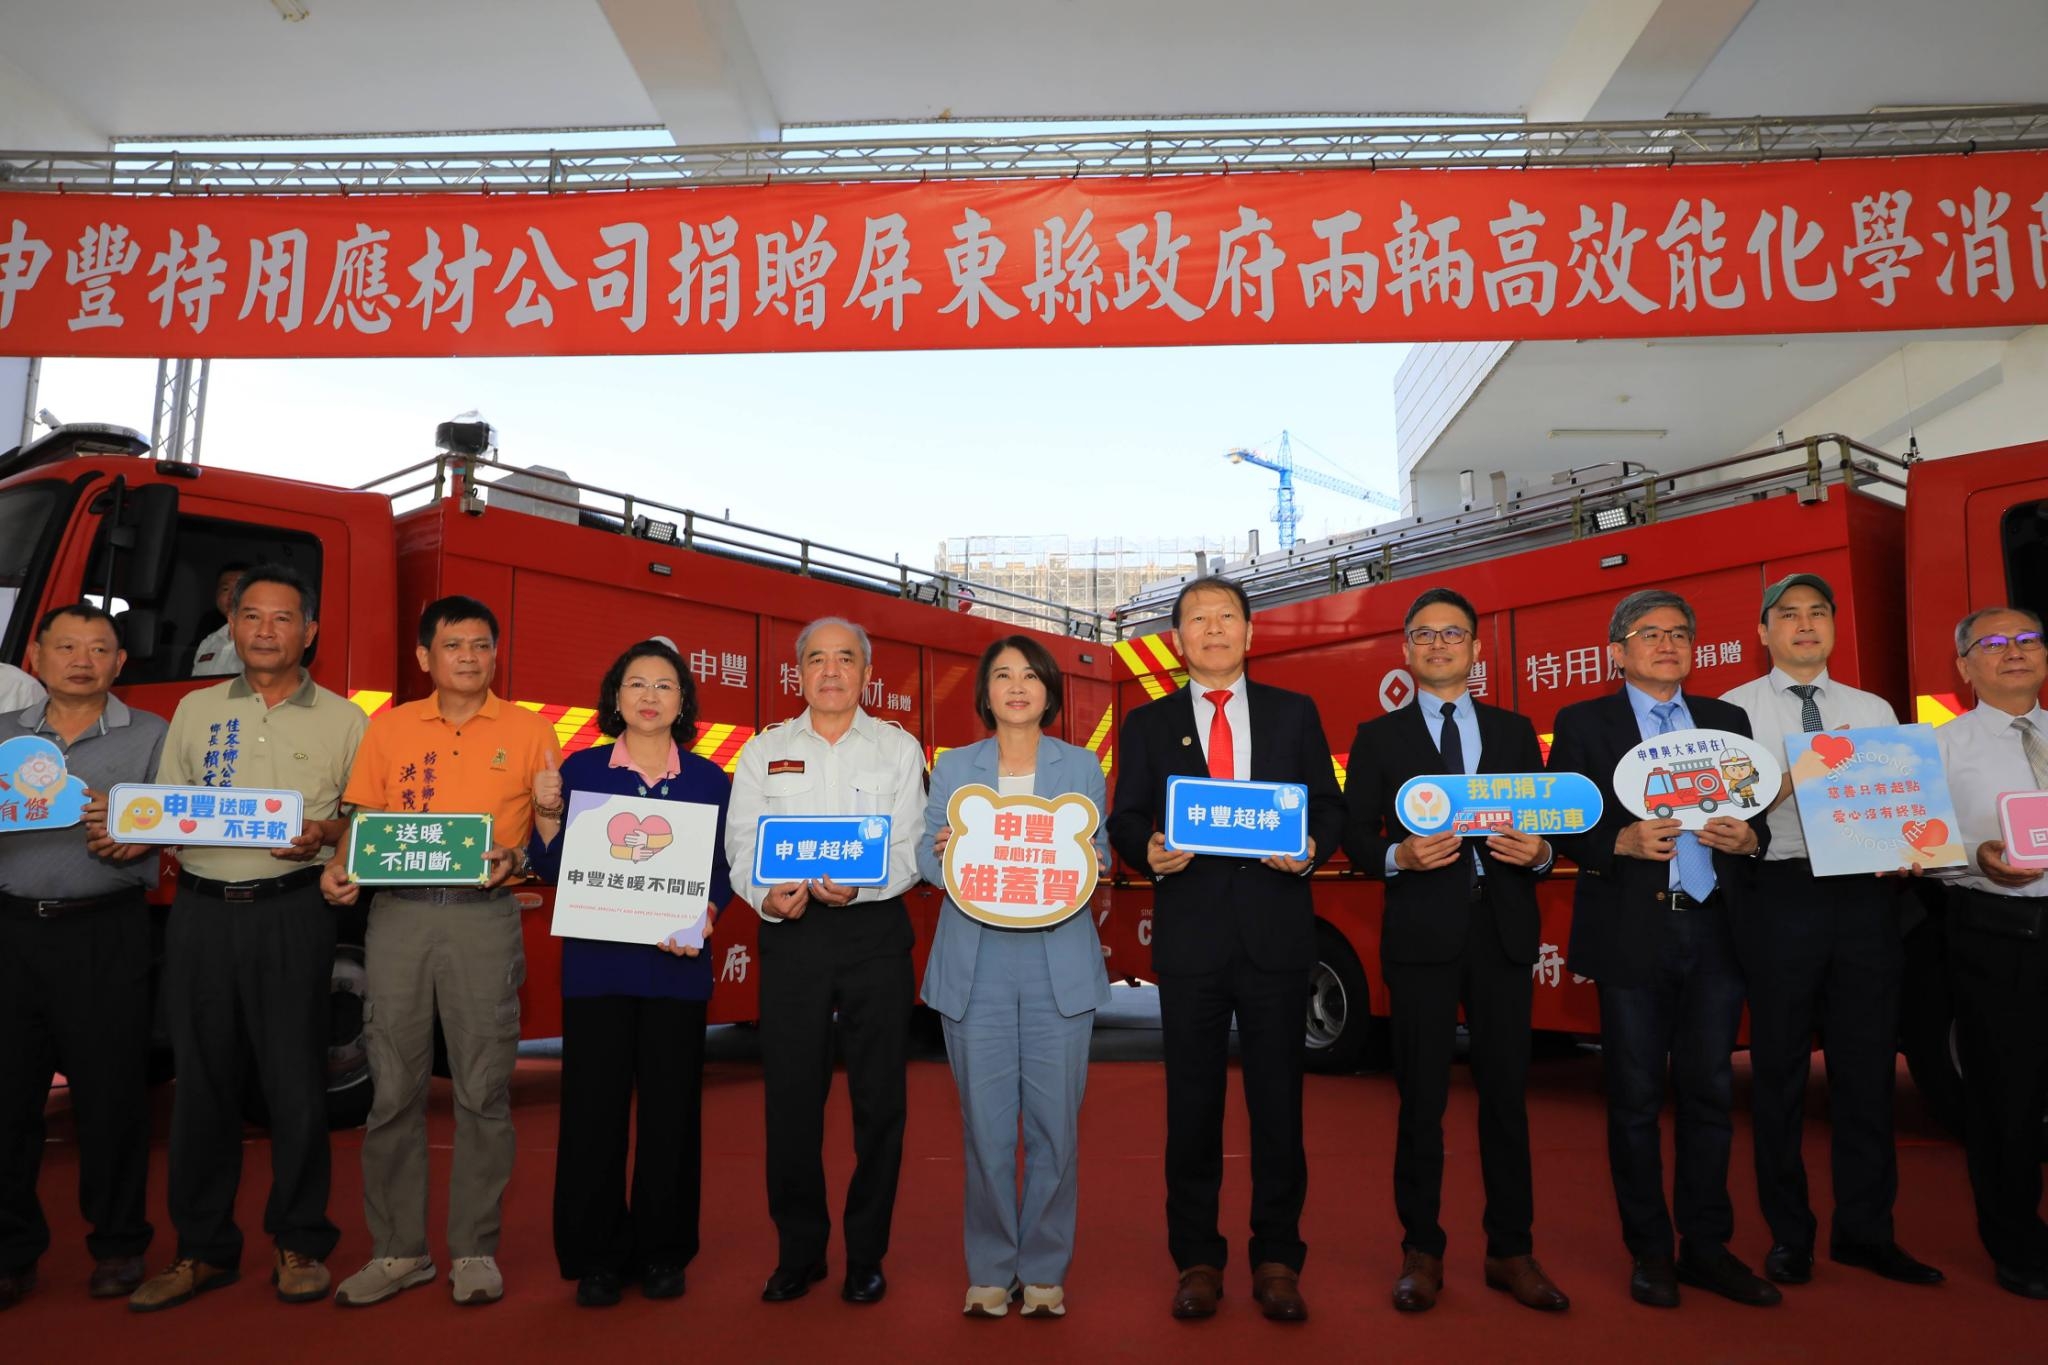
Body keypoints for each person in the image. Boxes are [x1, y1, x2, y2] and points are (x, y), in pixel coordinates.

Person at [1106, 576, 1343, 1324]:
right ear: (1177, 639)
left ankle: (1277, 1257)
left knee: (1279, 1108)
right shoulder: (1147, 723)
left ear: (1250, 632)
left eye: (1226, 617)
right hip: (1193, 942)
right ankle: (1198, 1259)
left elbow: (1328, 805)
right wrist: (1146, 847)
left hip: (1275, 936)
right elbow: (1126, 817)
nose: (1213, 629)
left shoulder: (1292, 713)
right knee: (1193, 1110)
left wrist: (1309, 847)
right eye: (1197, 619)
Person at [128, 565, 365, 1313]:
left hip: (293, 912)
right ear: (231, 626)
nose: (265, 630)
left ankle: (301, 1238)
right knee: (202, 1083)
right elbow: (165, 810)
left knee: (296, 1080)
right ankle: (201, 1249)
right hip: (200, 913)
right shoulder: (194, 712)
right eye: (252, 616)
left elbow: (366, 821)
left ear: (310, 631)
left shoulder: (348, 719)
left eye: (283, 617)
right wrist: (131, 827)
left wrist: (327, 832)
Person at [320, 596, 558, 1309]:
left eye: (482, 645)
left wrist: (519, 848)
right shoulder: (389, 730)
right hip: (396, 918)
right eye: (453, 644)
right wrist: (340, 865)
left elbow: (549, 838)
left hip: (484, 919)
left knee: (484, 1090)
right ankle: (399, 1250)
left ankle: (474, 1250)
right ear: (425, 657)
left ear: (495, 654)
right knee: (391, 1088)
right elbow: (363, 819)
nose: (469, 656)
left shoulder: (530, 730)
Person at [1547, 588, 1776, 1310]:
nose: (1667, 643)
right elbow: (1562, 820)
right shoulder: (1583, 722)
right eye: (1649, 633)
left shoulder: (1727, 722)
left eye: (1679, 632)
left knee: (1711, 1094)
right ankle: (1650, 1251)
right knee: (1636, 1099)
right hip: (1633, 928)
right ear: (1618, 650)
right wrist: (1615, 839)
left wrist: (1753, 839)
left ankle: (1707, 1247)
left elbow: (1754, 819)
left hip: (1714, 927)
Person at [1340, 587, 1567, 1315]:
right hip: (1422, 939)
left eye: (1454, 634)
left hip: (1500, 931)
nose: (1440, 644)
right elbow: (1355, 834)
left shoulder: (1514, 728)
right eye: (1425, 634)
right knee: (1421, 1103)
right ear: (1406, 650)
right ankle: (1423, 1251)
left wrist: (1539, 854)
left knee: (1506, 1098)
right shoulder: (1378, 736)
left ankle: (1511, 1249)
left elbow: (1541, 825)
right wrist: (1397, 854)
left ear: (1477, 650)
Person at [1719, 573, 1942, 1288]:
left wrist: (1910, 843)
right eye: (1788, 614)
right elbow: (1724, 822)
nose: (1805, 624)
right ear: (1763, 631)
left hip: (1864, 896)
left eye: (1819, 612)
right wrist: (1784, 781)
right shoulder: (1730, 711)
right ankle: (1790, 1235)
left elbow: (1900, 798)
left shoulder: (1871, 705)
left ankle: (1867, 1229)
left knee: (1867, 1068)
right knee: (1779, 1071)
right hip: (1779, 893)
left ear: (1835, 627)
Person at [724, 616, 925, 1306]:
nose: (831, 671)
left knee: (880, 1103)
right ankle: (799, 1252)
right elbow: (742, 841)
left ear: (868, 675)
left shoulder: (899, 750)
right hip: (795, 934)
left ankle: (866, 1255)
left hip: (874, 933)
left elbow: (908, 849)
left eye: (846, 659)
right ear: (798, 673)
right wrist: (765, 895)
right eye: (817, 659)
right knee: (791, 1101)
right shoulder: (763, 750)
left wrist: (860, 884)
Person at [527, 639, 731, 1309]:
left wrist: (705, 910)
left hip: (676, 971)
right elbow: (553, 870)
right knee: (593, 1114)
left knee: (673, 1114)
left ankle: (665, 1251)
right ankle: (596, 1256)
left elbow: (724, 872)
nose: (649, 695)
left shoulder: (709, 779)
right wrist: (549, 815)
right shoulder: (581, 769)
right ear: (615, 698)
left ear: (683, 702)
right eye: (635, 683)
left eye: (664, 685)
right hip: (598, 970)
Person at [918, 635, 1110, 1320]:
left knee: (1057, 1125)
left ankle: (1047, 1267)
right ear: (986, 692)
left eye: (1030, 674)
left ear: (1049, 690)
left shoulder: (1082, 765)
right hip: (977, 964)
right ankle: (993, 1267)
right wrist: (941, 851)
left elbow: (1102, 854)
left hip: (1059, 961)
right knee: (986, 1127)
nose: (1017, 685)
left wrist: (1088, 856)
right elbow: (924, 855)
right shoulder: (955, 766)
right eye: (1002, 674)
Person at [0, 605, 166, 1311]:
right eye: (65, 645)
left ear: (119, 663)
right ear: (35, 656)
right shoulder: (4, 736)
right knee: (8, 1101)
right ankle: (10, 1252)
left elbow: (178, 821)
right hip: (11, 932)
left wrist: (141, 839)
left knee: (112, 1095)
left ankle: (121, 1243)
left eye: (99, 648)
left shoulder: (152, 735)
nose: (81, 659)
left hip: (108, 929)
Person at [1929, 605, 2048, 1298]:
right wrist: (1975, 855)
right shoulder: (1940, 748)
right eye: (1993, 643)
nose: (2014, 652)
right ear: (1965, 667)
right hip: (1996, 931)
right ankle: (2018, 1243)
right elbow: (1917, 838)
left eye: (2028, 639)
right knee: (2007, 1096)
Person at [190, 563, 249, 678]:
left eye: (240, 589)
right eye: (225, 589)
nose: (232, 596)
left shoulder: (265, 641)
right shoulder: (208, 642)